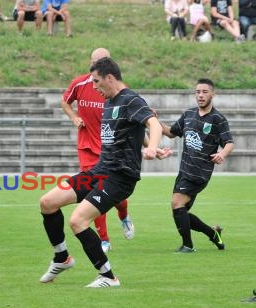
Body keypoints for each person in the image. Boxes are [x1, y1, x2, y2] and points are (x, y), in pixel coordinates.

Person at [39, 57, 169, 288]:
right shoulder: (109, 100)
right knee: (48, 202)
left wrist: (151, 147)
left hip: (120, 177)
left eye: (97, 82)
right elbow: (134, 128)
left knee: (78, 221)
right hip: (100, 170)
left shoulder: (131, 99)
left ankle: (108, 277)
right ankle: (62, 258)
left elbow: (153, 123)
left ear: (110, 78)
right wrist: (151, 146)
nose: (95, 87)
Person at [61, 48, 135, 254]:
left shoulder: (118, 91)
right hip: (87, 149)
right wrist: (73, 117)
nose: (96, 66)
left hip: (110, 151)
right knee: (93, 192)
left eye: (101, 62)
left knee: (117, 198)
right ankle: (103, 239)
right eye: (94, 62)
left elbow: (132, 122)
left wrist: (150, 146)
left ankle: (124, 216)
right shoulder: (79, 83)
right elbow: (64, 102)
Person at [159, 78, 235, 253]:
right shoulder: (189, 114)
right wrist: (154, 120)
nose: (200, 95)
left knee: (176, 203)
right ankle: (214, 234)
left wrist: (222, 154)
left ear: (212, 94)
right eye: (198, 92)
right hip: (184, 170)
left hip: (200, 172)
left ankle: (188, 246)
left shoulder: (218, 119)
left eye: (204, 92)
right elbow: (171, 133)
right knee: (180, 211)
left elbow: (229, 143)